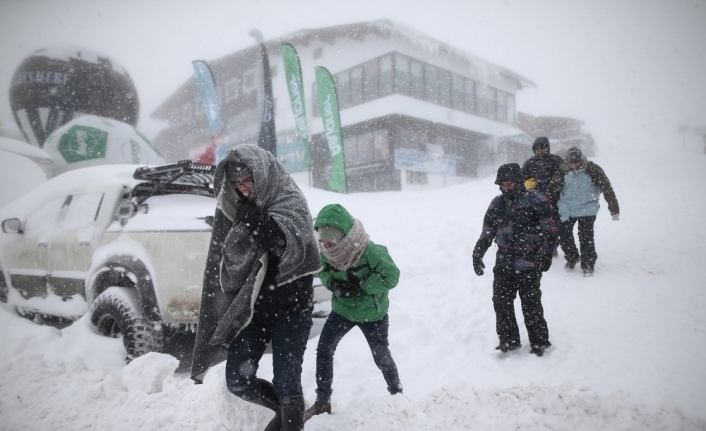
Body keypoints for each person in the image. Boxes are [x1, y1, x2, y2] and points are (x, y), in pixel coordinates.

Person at [190, 144, 322, 431]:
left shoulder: (288, 198)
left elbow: (294, 248)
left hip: (292, 309)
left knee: (288, 384)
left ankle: (290, 415)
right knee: (238, 380)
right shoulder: (241, 209)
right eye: (238, 184)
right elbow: (229, 259)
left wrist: (257, 222)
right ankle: (285, 413)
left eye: (248, 181)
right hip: (254, 312)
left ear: (262, 174)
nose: (245, 189)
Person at [305, 204, 403, 421]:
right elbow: (324, 272)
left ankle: (398, 397)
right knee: (324, 350)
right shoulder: (326, 252)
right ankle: (322, 401)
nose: (326, 245)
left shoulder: (371, 251)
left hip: (372, 314)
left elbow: (392, 276)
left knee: (381, 356)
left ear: (343, 236)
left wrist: (363, 286)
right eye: (323, 240)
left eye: (330, 240)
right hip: (342, 310)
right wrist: (333, 284)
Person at [472, 163, 558, 356]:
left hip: (529, 263)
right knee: (501, 303)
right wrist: (477, 254)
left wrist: (546, 253)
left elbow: (550, 230)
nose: (507, 187)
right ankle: (509, 341)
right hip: (503, 264)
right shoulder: (497, 203)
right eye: (503, 184)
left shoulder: (536, 200)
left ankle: (539, 342)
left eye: (510, 183)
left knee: (531, 304)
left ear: (519, 182)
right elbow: (487, 232)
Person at [546, 146, 620, 277]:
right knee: (564, 236)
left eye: (576, 162)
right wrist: (546, 205)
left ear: (581, 160)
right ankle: (572, 257)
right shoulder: (562, 171)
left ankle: (588, 265)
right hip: (566, 208)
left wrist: (614, 209)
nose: (574, 165)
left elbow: (607, 189)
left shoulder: (593, 170)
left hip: (587, 209)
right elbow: (552, 189)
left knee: (586, 238)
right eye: (571, 163)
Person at [522, 137, 564, 257]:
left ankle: (553, 247)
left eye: (543, 148)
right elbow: (521, 180)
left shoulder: (556, 160)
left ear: (548, 148)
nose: (540, 150)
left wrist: (557, 186)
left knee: (554, 226)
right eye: (537, 148)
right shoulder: (529, 163)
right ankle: (540, 247)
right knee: (537, 225)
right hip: (536, 201)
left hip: (555, 200)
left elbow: (567, 177)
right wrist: (527, 184)